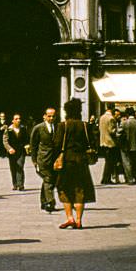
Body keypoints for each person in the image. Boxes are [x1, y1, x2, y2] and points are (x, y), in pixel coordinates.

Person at [53, 97, 96, 230]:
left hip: (67, 162)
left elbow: (56, 144)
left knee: (64, 188)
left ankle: (69, 218)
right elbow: (93, 142)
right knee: (80, 190)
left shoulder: (62, 126)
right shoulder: (85, 125)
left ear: (66, 111)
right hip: (82, 161)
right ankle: (78, 220)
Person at [29, 107, 57, 212]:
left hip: (53, 159)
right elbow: (33, 145)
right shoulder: (38, 128)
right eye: (49, 116)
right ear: (44, 116)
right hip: (43, 159)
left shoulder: (57, 127)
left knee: (49, 180)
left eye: (53, 116)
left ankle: (43, 201)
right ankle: (50, 202)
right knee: (48, 179)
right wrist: (34, 161)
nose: (51, 118)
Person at [5, 112, 28, 191]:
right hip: (12, 152)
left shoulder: (23, 128)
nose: (18, 120)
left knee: (20, 166)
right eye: (16, 119)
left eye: (19, 119)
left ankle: (20, 184)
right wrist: (9, 148)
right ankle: (15, 184)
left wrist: (27, 145)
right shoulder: (8, 130)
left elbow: (26, 139)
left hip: (21, 151)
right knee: (13, 168)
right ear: (12, 120)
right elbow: (5, 141)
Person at [99, 103, 120, 184]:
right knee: (110, 162)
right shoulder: (111, 118)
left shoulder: (102, 117)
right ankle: (106, 179)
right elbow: (112, 131)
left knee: (107, 161)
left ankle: (105, 178)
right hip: (110, 142)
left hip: (103, 141)